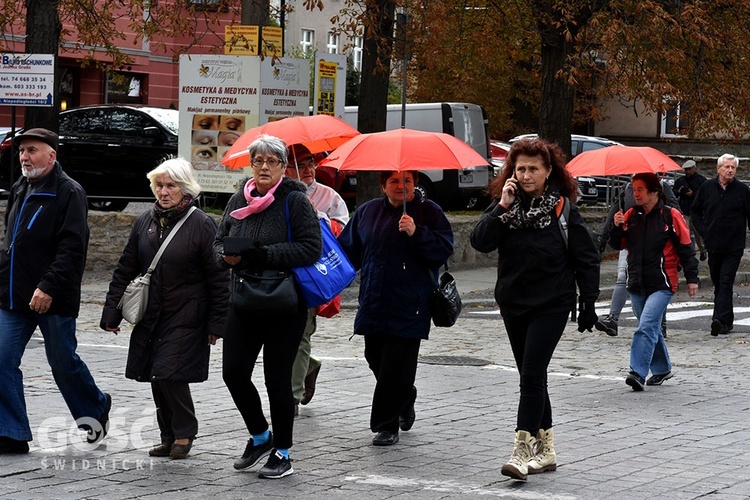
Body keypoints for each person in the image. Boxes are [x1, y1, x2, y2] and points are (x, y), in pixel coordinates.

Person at [470, 138, 600, 481]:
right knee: (534, 377)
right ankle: (548, 451)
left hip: (552, 303)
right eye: (520, 168)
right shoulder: (505, 207)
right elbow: (480, 242)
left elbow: (586, 258)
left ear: (548, 172)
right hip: (514, 303)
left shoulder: (562, 209)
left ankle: (522, 450)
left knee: (530, 376)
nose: (526, 175)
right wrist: (501, 206)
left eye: (533, 169)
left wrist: (588, 303)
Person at [100, 157, 229, 459]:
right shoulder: (144, 221)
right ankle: (168, 435)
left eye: (171, 185)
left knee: (170, 373)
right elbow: (125, 268)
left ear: (185, 188)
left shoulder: (202, 224)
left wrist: (216, 324)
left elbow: (219, 278)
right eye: (159, 185)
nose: (164, 191)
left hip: (188, 314)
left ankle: (185, 432)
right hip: (151, 314)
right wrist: (111, 311)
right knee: (156, 375)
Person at [214, 135, 321, 479]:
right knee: (233, 373)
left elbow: (310, 248)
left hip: (284, 303)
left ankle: (284, 453)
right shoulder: (238, 198)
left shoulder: (294, 200)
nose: (262, 167)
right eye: (257, 161)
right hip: (244, 298)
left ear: (282, 167)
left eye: (270, 161)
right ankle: (261, 436)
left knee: (277, 380)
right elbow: (219, 239)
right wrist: (225, 256)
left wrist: (263, 254)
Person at [0, 128, 111, 454]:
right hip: (13, 295)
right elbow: (13, 244)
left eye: (32, 150)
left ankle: (96, 408)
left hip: (53, 296)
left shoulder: (68, 192)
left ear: (51, 155)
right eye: (22, 151)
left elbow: (72, 249)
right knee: (1, 359)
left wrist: (47, 286)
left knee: (62, 362)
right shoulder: (21, 187)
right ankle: (12, 432)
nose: (24, 157)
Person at [338, 170, 453, 447]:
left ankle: (385, 425)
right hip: (375, 300)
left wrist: (416, 233)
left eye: (407, 181)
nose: (401, 186)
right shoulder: (367, 212)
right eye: (394, 181)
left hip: (411, 303)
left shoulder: (428, 212)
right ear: (383, 186)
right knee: (374, 357)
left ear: (415, 184)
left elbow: (443, 249)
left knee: (395, 366)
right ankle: (406, 396)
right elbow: (347, 250)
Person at [608, 173, 699, 390]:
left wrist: (692, 278)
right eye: (634, 189)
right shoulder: (631, 215)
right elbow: (618, 245)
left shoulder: (670, 215)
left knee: (646, 325)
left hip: (663, 283)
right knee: (651, 328)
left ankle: (637, 372)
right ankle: (662, 368)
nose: (635, 193)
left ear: (654, 192)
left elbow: (686, 248)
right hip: (638, 283)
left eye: (640, 189)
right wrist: (617, 227)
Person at [285, 144, 350, 415]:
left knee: (301, 335)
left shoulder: (328, 196)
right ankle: (309, 365)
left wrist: (319, 219)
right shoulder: (275, 195)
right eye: (300, 163)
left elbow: (343, 233)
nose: (309, 168)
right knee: (277, 336)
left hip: (312, 275)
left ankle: (292, 397)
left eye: (310, 162)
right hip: (280, 274)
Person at [596, 179, 681, 337]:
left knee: (657, 286)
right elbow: (614, 213)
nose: (636, 193)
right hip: (631, 242)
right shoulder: (628, 189)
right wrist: (610, 231)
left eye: (639, 189)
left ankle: (659, 324)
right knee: (623, 277)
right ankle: (613, 318)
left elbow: (676, 213)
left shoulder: (661, 187)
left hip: (658, 246)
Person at [691, 153, 750, 336]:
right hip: (714, 244)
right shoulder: (707, 187)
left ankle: (718, 320)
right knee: (718, 283)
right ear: (718, 169)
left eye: (733, 167)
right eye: (727, 167)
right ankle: (726, 322)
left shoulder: (742, 190)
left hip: (734, 245)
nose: (730, 170)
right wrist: (704, 230)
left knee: (725, 281)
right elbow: (695, 211)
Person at [673, 159, 708, 261]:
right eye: (686, 170)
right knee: (684, 233)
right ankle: (687, 252)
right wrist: (679, 192)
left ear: (694, 168)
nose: (687, 172)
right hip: (685, 210)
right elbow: (673, 193)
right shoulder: (680, 181)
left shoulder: (701, 180)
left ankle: (703, 250)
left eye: (689, 169)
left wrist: (693, 194)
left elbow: (705, 194)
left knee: (699, 234)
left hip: (697, 211)